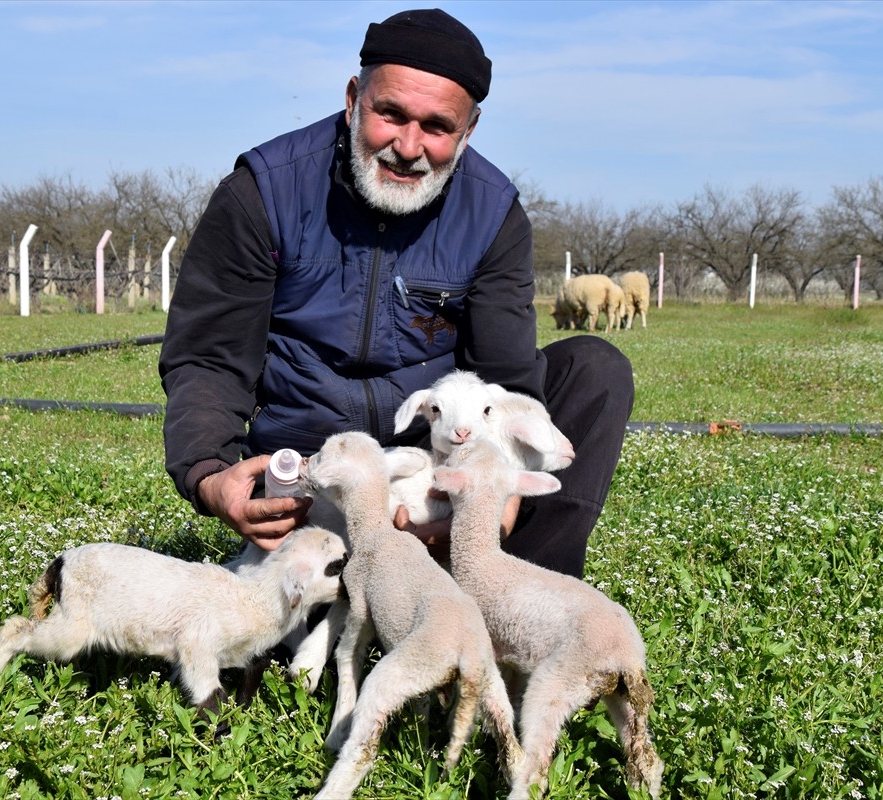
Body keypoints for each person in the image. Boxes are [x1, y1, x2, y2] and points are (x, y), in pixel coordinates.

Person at [159, 8, 634, 579]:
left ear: (469, 129)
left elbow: (504, 377)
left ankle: (517, 593)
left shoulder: (494, 214)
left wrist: (496, 507)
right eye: (390, 114)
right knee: (277, 632)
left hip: (435, 460)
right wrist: (210, 474)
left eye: (437, 127)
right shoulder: (262, 192)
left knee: (594, 369)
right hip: (315, 469)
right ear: (355, 96)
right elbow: (210, 356)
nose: (409, 147)